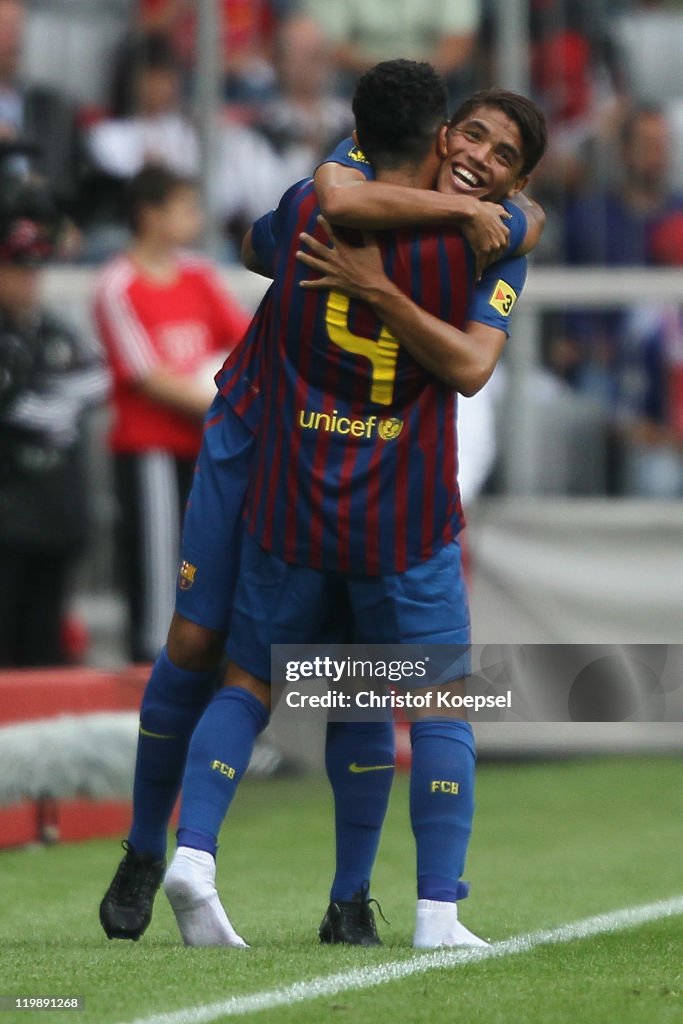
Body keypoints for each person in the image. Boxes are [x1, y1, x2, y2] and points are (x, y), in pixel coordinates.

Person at [98, 70, 546, 945]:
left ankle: (345, 898)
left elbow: (281, 234)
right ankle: (147, 848)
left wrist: (504, 218)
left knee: (351, 673)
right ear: (440, 132)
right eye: (472, 138)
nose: (479, 161)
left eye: (502, 157)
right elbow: (289, 228)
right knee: (197, 641)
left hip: (335, 455)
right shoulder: (357, 187)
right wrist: (470, 217)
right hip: (260, 431)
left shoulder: (473, 222)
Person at [94, 165, 250, 663]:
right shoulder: (118, 286)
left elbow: (245, 340)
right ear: (149, 215)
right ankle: (151, 662)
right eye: (184, 208)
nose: (195, 218)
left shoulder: (199, 275)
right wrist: (228, 401)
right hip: (150, 449)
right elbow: (146, 375)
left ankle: (200, 660)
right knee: (157, 559)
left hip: (205, 446)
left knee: (202, 557)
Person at [0, 180, 109, 666]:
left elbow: (97, 376)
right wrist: (53, 402)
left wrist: (50, 403)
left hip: (54, 515)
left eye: (33, 272)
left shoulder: (51, 327)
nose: (28, 282)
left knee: (44, 647)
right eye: (15, 271)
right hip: (9, 513)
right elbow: (18, 407)